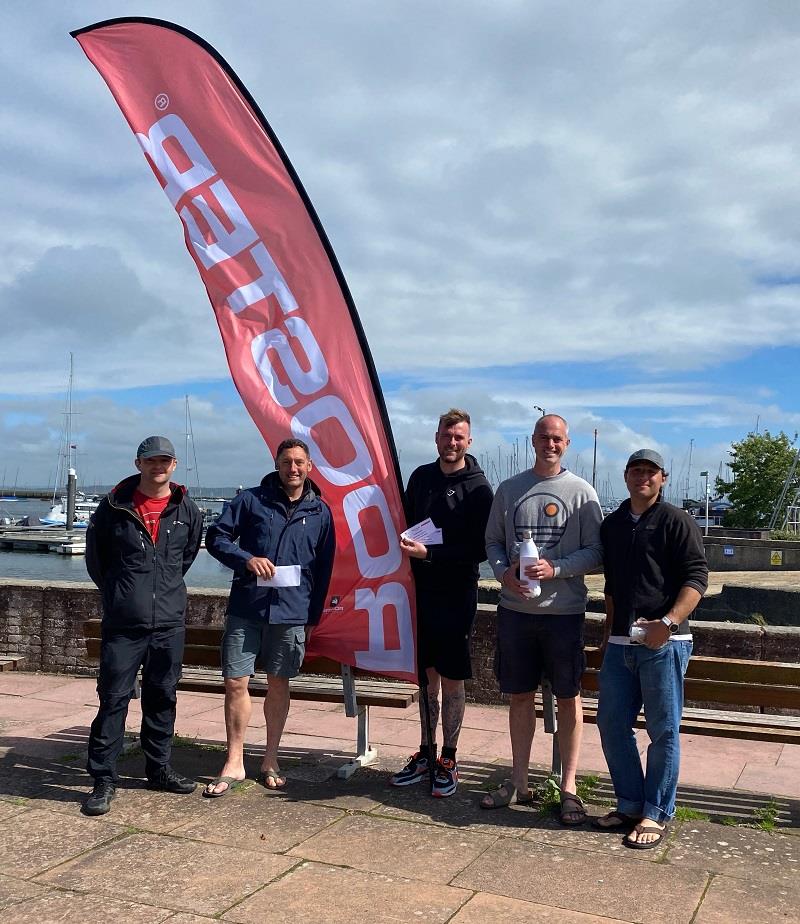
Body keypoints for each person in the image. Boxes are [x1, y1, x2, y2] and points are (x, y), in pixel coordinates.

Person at [483, 414, 602, 822]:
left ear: (566, 444)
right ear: (533, 441)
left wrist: (557, 568)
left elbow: (596, 552)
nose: (550, 444)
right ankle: (519, 780)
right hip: (515, 612)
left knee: (569, 699)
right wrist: (503, 573)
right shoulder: (510, 489)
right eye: (543, 438)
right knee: (519, 696)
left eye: (557, 439)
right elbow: (494, 542)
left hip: (564, 614)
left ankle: (568, 787)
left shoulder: (582, 493)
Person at [203, 438, 335, 796]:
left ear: (309, 467)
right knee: (235, 682)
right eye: (286, 462)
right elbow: (216, 537)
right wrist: (245, 558)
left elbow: (323, 569)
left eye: (299, 463)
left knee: (279, 683)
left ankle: (270, 758)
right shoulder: (251, 500)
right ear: (277, 465)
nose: (293, 469)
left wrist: (313, 616)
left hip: (293, 612)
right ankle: (234, 760)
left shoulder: (321, 512)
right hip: (248, 607)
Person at [83, 436, 203, 816]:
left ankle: (158, 768)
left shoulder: (187, 509)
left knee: (162, 697)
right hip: (124, 623)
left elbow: (184, 559)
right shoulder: (113, 507)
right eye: (151, 461)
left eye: (164, 460)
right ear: (139, 464)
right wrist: (123, 595)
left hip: (168, 623)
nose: (158, 466)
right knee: (114, 698)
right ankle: (103, 778)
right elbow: (96, 561)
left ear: (174, 464)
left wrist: (159, 594)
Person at [595, 449, 708, 848]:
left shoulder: (677, 521)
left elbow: (697, 577)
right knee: (610, 723)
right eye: (636, 470)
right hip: (620, 643)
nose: (643, 476)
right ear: (626, 476)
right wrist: (608, 634)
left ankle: (656, 813)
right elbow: (611, 587)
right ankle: (630, 803)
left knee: (663, 731)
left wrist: (668, 623)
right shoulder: (613, 525)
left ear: (663, 478)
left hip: (666, 642)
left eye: (651, 471)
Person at [390, 409, 494, 797]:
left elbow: (481, 549)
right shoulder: (421, 477)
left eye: (459, 437)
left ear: (469, 441)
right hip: (419, 592)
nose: (452, 442)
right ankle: (425, 751)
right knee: (425, 678)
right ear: (436, 438)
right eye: (447, 436)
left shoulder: (480, 488)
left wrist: (431, 556)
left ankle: (448, 756)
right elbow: (400, 521)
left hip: (457, 594)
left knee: (451, 679)